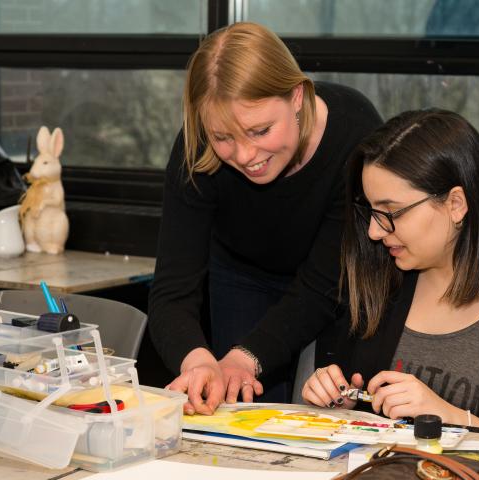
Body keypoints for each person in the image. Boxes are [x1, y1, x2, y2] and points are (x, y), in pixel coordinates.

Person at [302, 109, 479, 438]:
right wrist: (343, 408)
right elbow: (369, 424)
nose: (373, 231)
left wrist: (450, 417)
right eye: (370, 210)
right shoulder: (380, 284)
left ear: (456, 204)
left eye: (390, 212)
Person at [148, 22, 383, 415]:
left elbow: (323, 285)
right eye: (223, 137)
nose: (244, 155)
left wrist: (247, 356)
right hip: (242, 275)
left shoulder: (355, 134)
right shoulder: (197, 147)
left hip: (337, 284)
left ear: (296, 96)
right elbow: (172, 290)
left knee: (329, 416)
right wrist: (198, 361)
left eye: (260, 130)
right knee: (243, 413)